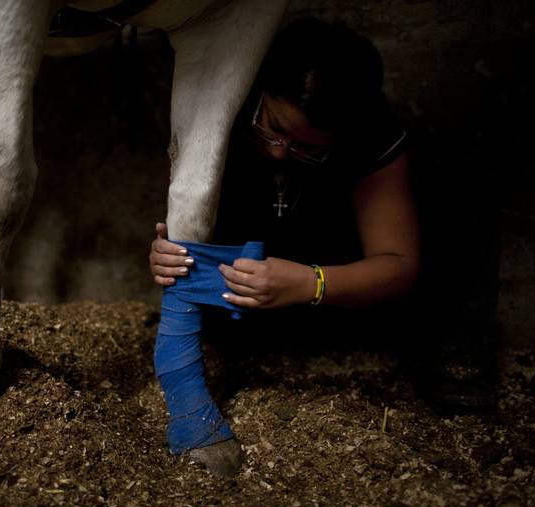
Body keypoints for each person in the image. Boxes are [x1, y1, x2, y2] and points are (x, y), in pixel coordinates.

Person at [149, 17, 497, 412]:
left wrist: (311, 283)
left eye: (307, 147)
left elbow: (398, 266)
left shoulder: (371, 131)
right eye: (274, 128)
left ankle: (447, 356)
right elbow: (188, 230)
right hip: (242, 304)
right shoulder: (221, 109)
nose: (280, 150)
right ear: (259, 89)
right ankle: (216, 342)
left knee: (462, 176)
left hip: (336, 299)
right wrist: (170, 253)